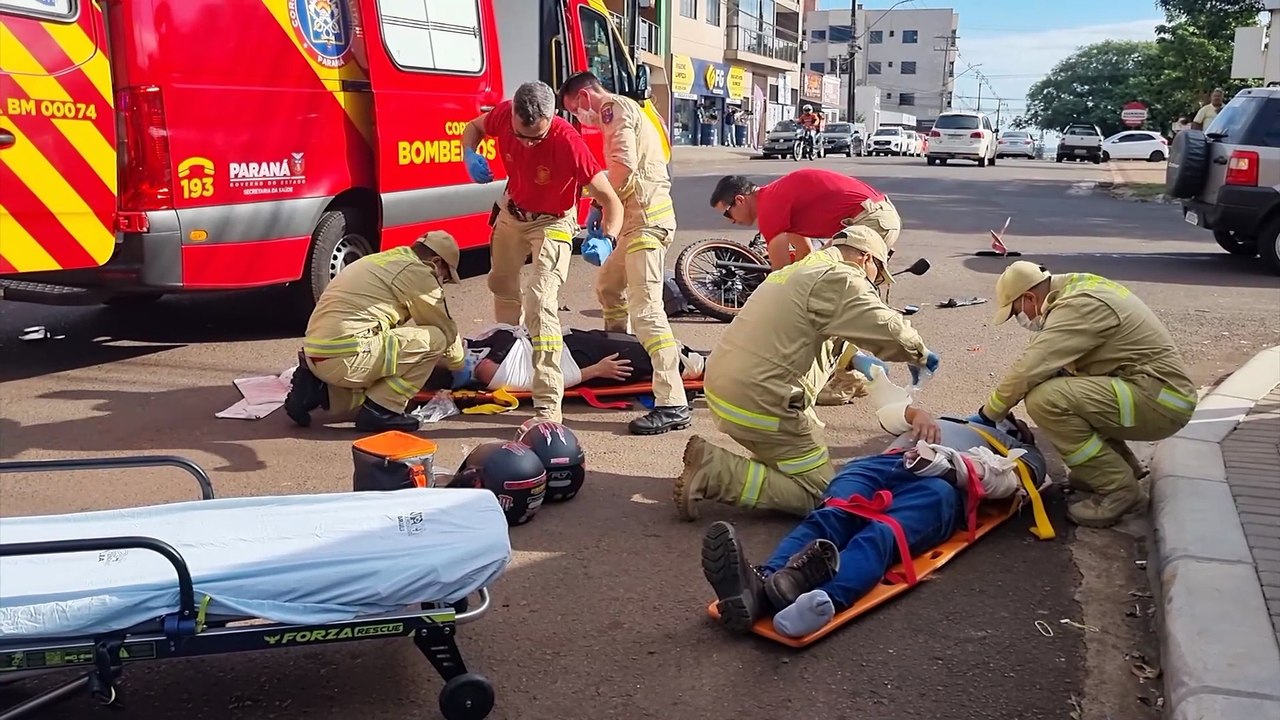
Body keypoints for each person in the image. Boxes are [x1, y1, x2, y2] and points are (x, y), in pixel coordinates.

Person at [700, 404, 1048, 638]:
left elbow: (1019, 478)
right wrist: (918, 413)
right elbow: (890, 412)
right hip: (885, 464)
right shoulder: (950, 418)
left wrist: (964, 466)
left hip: (943, 484)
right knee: (833, 514)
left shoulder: (1011, 445)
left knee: (882, 533)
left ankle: (824, 599)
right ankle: (765, 584)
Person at [672, 226, 940, 522]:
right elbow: (890, 330)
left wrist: (853, 359)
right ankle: (715, 470)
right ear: (866, 258)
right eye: (875, 278)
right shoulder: (841, 277)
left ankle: (765, 468)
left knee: (803, 446)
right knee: (828, 498)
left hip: (726, 386)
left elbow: (802, 332)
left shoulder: (798, 272)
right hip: (762, 403)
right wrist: (920, 353)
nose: (872, 285)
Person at [968, 261, 1197, 528]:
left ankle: (1118, 490)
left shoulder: (1079, 305)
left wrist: (990, 413)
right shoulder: (1078, 288)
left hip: (1160, 404)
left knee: (1046, 401)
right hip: (1153, 394)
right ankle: (1122, 468)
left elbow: (1031, 366)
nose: (1022, 319)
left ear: (1030, 297)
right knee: (1064, 384)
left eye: (1018, 311)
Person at [460, 81, 625, 425]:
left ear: (551, 119)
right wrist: (470, 153)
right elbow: (473, 127)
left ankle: (548, 404)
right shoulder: (505, 114)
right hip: (512, 213)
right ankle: (509, 352)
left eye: (535, 138)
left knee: (540, 299)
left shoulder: (568, 143)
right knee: (501, 284)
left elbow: (611, 200)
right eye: (520, 135)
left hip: (553, 222)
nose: (526, 143)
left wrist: (607, 237)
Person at [558, 71, 691, 435]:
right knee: (608, 287)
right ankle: (624, 356)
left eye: (575, 109)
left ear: (585, 97)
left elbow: (623, 168)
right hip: (636, 223)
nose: (578, 117)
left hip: (646, 223)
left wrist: (599, 202)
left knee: (647, 310)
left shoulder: (612, 109)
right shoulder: (621, 111)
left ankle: (672, 401)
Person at [284, 231, 468, 432]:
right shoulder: (418, 272)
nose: (442, 282)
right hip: (345, 357)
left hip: (318, 353)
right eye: (446, 277)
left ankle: (319, 390)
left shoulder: (387, 259)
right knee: (436, 340)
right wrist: (459, 365)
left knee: (392, 354)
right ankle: (382, 411)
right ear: (436, 261)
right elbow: (444, 327)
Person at [710, 169, 901, 273]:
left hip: (871, 221)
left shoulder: (768, 207)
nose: (731, 222)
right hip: (880, 217)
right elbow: (805, 253)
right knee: (821, 274)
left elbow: (781, 273)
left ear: (740, 200)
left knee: (829, 284)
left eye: (728, 214)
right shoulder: (778, 200)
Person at [423, 325, 707, 393]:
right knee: (651, 359)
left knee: (638, 342)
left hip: (567, 342)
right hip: (578, 361)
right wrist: (595, 371)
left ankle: (701, 359)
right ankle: (706, 366)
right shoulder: (487, 370)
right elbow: (545, 382)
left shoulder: (476, 347)